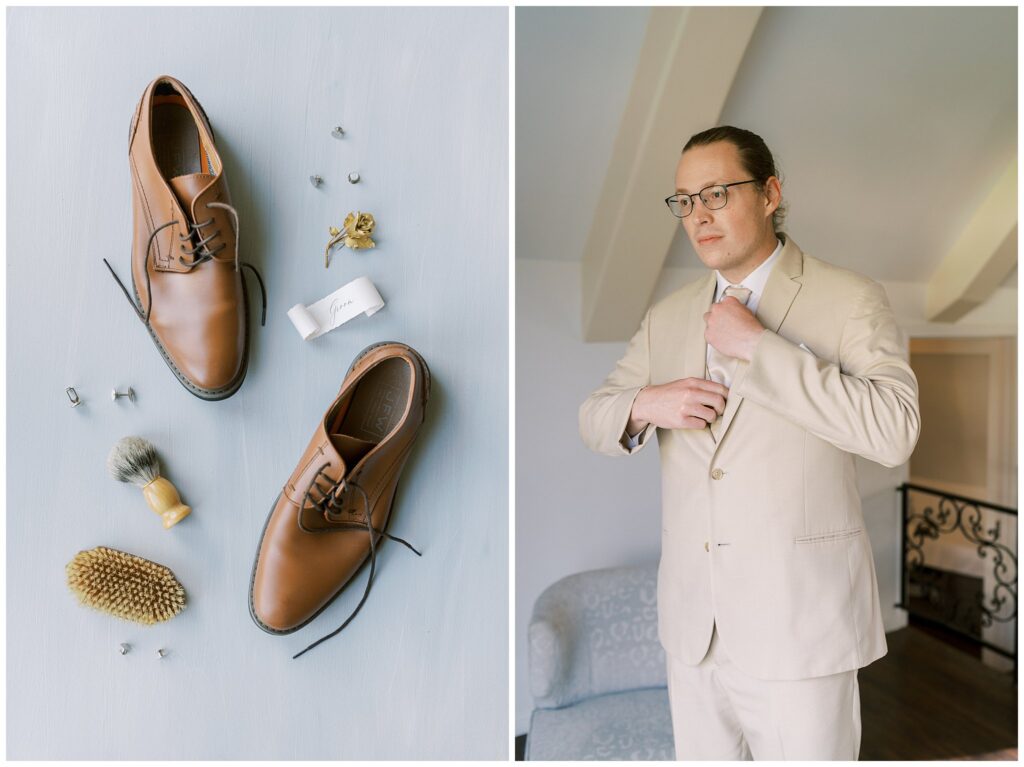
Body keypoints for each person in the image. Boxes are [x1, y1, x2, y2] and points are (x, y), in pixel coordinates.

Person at [578, 126, 921, 760]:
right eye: (683, 200)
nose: (698, 215)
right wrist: (648, 404)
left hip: (801, 631)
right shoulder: (668, 315)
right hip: (695, 633)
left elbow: (894, 431)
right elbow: (595, 417)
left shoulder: (850, 298)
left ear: (770, 193)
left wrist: (760, 349)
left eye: (715, 193)